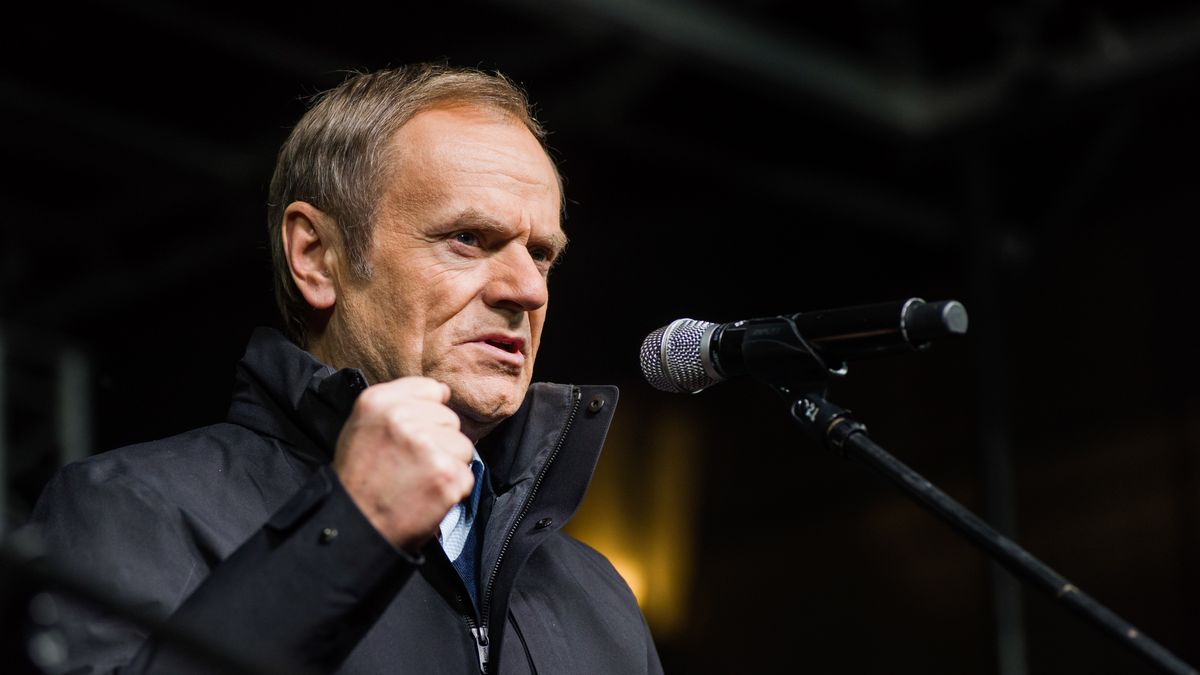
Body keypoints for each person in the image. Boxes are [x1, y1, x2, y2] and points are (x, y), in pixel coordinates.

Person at [28, 64, 663, 674]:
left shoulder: (596, 596)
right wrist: (352, 530)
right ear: (317, 256)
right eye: (468, 238)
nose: (527, 288)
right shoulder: (136, 508)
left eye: (542, 253)